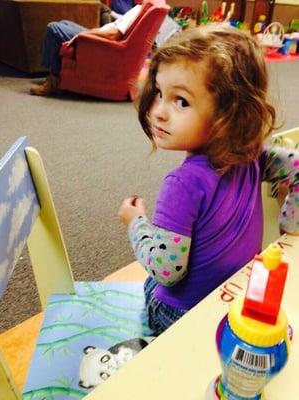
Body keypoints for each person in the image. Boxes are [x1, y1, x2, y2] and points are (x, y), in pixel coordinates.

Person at [118, 25, 299, 336]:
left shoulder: (182, 183)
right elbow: (296, 165)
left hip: (179, 315)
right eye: (160, 93)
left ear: (230, 115)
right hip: (231, 300)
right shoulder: (253, 154)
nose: (158, 111)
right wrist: (288, 226)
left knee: (149, 282)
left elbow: (166, 270)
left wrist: (136, 222)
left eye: (182, 101)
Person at [30, 4, 142, 96]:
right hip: (102, 32)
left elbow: (113, 35)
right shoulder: (140, 8)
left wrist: (85, 34)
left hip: (104, 41)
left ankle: (53, 79)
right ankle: (55, 73)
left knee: (53, 28)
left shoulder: (137, 11)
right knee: (64, 23)